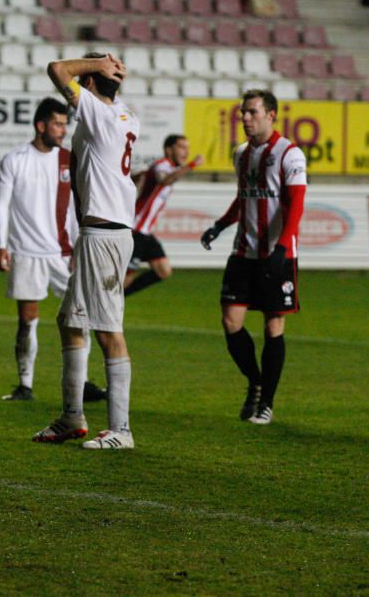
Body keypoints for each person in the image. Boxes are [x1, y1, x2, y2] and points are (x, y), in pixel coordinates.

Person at [32, 51, 141, 450]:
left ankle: (121, 430)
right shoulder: (125, 115)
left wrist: (94, 65)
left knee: (110, 330)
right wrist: (106, 71)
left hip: (105, 234)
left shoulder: (100, 114)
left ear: (91, 83)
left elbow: (56, 69)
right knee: (70, 321)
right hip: (101, 232)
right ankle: (72, 416)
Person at [200, 90, 306, 425]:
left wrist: (282, 248)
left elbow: (296, 206)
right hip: (243, 252)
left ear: (271, 114)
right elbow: (243, 198)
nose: (245, 118)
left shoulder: (290, 154)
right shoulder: (241, 154)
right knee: (231, 322)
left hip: (276, 253)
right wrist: (220, 225)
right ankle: (256, 381)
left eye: (252, 112)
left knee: (274, 325)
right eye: (242, 113)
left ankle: (266, 403)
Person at [0, 97, 106, 403]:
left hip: (64, 253)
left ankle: (81, 382)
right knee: (27, 320)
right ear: (40, 126)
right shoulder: (15, 160)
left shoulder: (70, 159)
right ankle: (25, 385)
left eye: (65, 124)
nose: (62, 130)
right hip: (27, 252)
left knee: (82, 315)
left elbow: (81, 205)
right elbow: (2, 204)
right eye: (57, 124)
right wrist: (1, 245)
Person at [123, 135, 204, 297]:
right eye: (181, 147)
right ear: (169, 150)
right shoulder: (162, 165)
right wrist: (191, 165)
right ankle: (109, 301)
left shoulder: (168, 168)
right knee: (126, 275)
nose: (186, 152)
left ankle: (119, 297)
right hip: (135, 229)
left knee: (163, 270)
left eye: (187, 148)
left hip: (144, 232)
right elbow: (164, 180)